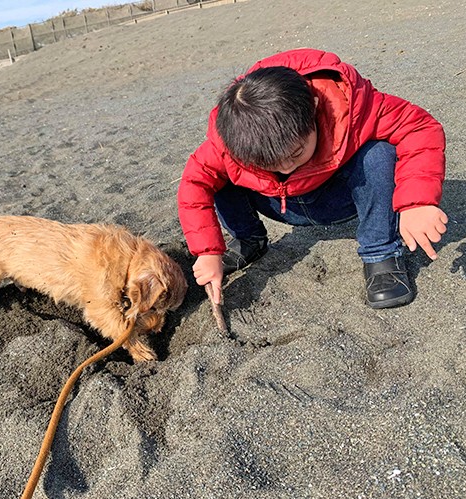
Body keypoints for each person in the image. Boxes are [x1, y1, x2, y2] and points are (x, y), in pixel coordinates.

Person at [177, 48, 447, 309]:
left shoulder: (350, 105)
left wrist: (416, 203)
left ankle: (381, 254)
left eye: (295, 153)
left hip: (340, 199)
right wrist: (207, 251)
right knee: (216, 174)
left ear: (314, 109)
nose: (284, 167)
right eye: (269, 163)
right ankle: (249, 240)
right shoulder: (229, 139)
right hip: (279, 205)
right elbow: (194, 183)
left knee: (378, 154)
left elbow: (420, 128)